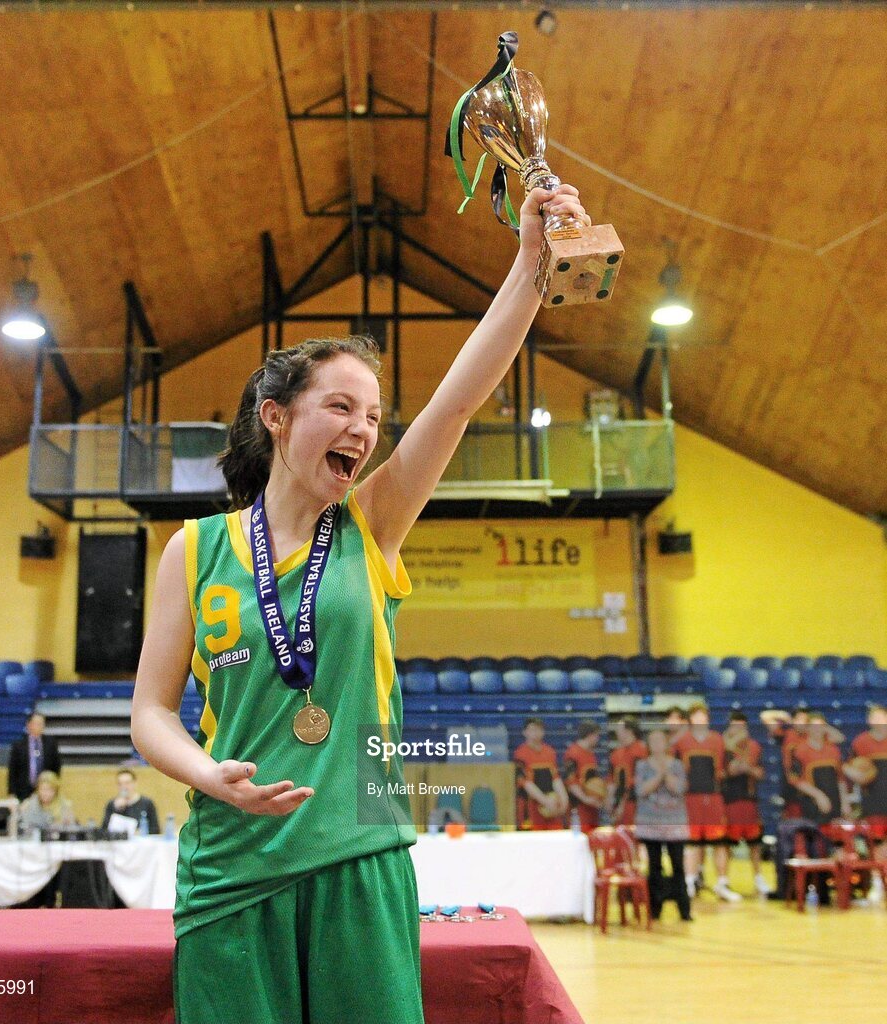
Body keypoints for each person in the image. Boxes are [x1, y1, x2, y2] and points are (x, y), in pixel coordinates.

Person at [130, 182, 591, 1024]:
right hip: (229, 861)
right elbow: (150, 715)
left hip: (360, 851)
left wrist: (530, 263)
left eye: (373, 414)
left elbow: (457, 399)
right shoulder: (190, 549)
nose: (363, 428)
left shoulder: (372, 523)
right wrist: (208, 776)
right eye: (339, 406)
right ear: (275, 417)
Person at [672, 704, 741, 901]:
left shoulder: (717, 740)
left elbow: (727, 768)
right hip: (690, 798)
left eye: (704, 716)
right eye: (696, 716)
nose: (700, 719)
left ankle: (722, 883)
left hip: (713, 797)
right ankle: (689, 882)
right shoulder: (681, 742)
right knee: (692, 843)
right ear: (690, 720)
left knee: (719, 843)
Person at [635, 728, 691, 922]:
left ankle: (684, 909)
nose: (657, 744)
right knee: (654, 867)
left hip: (675, 824)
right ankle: (655, 909)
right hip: (650, 824)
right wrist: (659, 775)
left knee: (678, 866)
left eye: (661, 740)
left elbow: (679, 788)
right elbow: (641, 790)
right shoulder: (642, 766)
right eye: (653, 740)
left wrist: (665, 772)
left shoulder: (676, 765)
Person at [721, 712, 770, 896]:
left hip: (749, 799)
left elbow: (761, 773)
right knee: (727, 843)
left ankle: (758, 878)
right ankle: (723, 880)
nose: (738, 729)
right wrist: (739, 764)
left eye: (741, 726)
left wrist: (747, 768)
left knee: (754, 843)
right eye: (735, 725)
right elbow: (728, 771)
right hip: (730, 798)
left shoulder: (754, 747)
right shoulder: (724, 747)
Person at [845, 704, 887, 901]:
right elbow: (850, 769)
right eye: (875, 718)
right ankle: (877, 883)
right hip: (874, 800)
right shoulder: (861, 742)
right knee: (876, 844)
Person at [790, 712, 847, 838]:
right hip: (812, 807)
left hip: (835, 806)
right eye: (813, 726)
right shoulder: (800, 750)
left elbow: (840, 779)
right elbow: (795, 779)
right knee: (817, 844)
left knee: (837, 843)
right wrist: (819, 796)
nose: (817, 730)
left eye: (820, 726)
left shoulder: (833, 750)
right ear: (808, 729)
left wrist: (845, 803)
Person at [513, 718, 567, 830]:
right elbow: (526, 783)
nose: (535, 733)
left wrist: (564, 799)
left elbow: (555, 778)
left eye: (538, 730)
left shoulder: (550, 752)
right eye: (532, 730)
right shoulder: (520, 754)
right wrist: (545, 801)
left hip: (552, 805)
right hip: (530, 807)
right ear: (524, 732)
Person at [562, 720, 604, 834]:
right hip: (577, 807)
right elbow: (571, 782)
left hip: (591, 807)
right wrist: (586, 799)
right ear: (590, 735)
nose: (597, 739)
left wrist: (598, 797)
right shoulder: (573, 753)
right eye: (596, 735)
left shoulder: (591, 754)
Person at [8, 713, 62, 801]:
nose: (40, 726)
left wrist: (54, 788)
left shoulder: (51, 744)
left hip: (46, 791)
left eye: (42, 723)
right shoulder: (18, 745)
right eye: (37, 723)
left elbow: (56, 768)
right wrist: (11, 793)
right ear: (29, 725)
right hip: (23, 791)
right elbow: (13, 771)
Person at [608, 717, 648, 827]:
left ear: (629, 731)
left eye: (619, 729)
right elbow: (612, 781)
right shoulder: (615, 754)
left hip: (636, 804)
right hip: (620, 804)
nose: (616, 731)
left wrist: (622, 804)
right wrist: (610, 803)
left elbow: (638, 781)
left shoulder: (641, 751)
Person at [101, 768, 160, 834]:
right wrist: (116, 810)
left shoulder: (147, 803)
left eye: (127, 783)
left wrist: (140, 832)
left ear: (135, 783)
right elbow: (104, 830)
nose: (124, 787)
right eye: (120, 784)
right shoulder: (112, 804)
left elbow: (156, 830)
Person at [18, 771, 76, 835]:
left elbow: (71, 831)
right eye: (43, 789)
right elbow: (23, 828)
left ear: (56, 791)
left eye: (49, 790)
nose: (46, 793)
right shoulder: (28, 805)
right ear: (38, 790)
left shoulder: (65, 806)